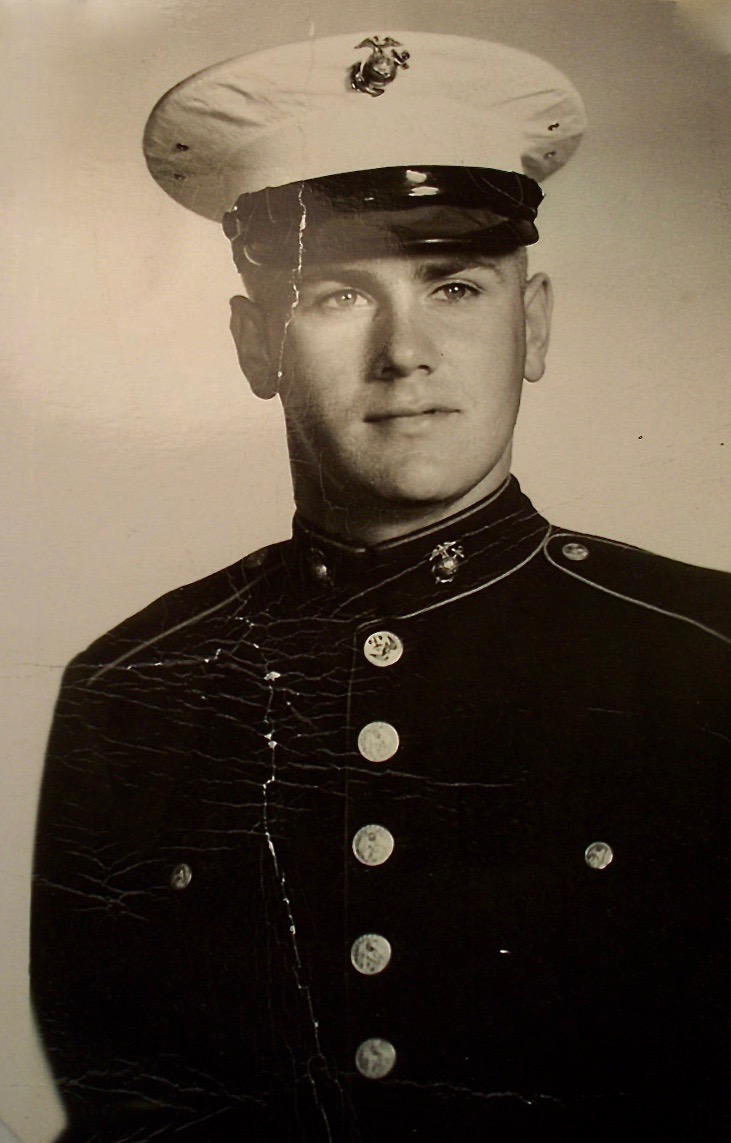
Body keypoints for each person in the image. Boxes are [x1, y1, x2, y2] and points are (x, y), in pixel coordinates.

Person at [30, 30, 730, 1142]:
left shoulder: (705, 656)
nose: (405, 351)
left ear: (531, 324)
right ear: (256, 342)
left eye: (454, 286)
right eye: (336, 295)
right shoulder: (136, 688)